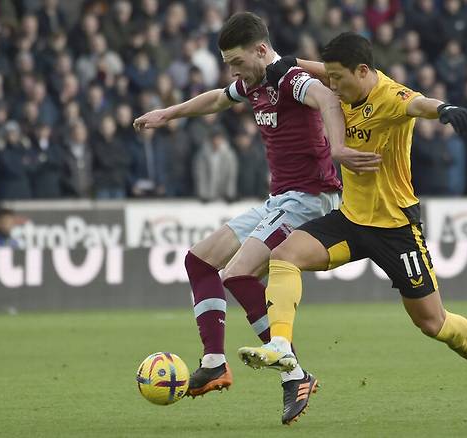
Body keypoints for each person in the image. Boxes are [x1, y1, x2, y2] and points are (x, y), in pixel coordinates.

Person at [238, 32, 467, 420]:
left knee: (433, 323)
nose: (332, 86)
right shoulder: (342, 86)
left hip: (396, 228)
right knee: (284, 255)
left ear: (363, 71)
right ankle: (281, 345)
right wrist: (289, 63)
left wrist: (444, 108)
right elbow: (321, 73)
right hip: (350, 220)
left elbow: (419, 104)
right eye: (329, 77)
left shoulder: (390, 97)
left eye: (339, 79)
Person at [133, 12, 381, 424]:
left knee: (237, 274)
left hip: (310, 199)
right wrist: (168, 113)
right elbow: (216, 98)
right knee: (199, 260)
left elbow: (327, 97)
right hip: (279, 199)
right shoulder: (255, 82)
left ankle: (295, 373)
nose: (233, 71)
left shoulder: (286, 78)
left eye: (236, 61)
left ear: (261, 50)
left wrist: (336, 148)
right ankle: (214, 362)